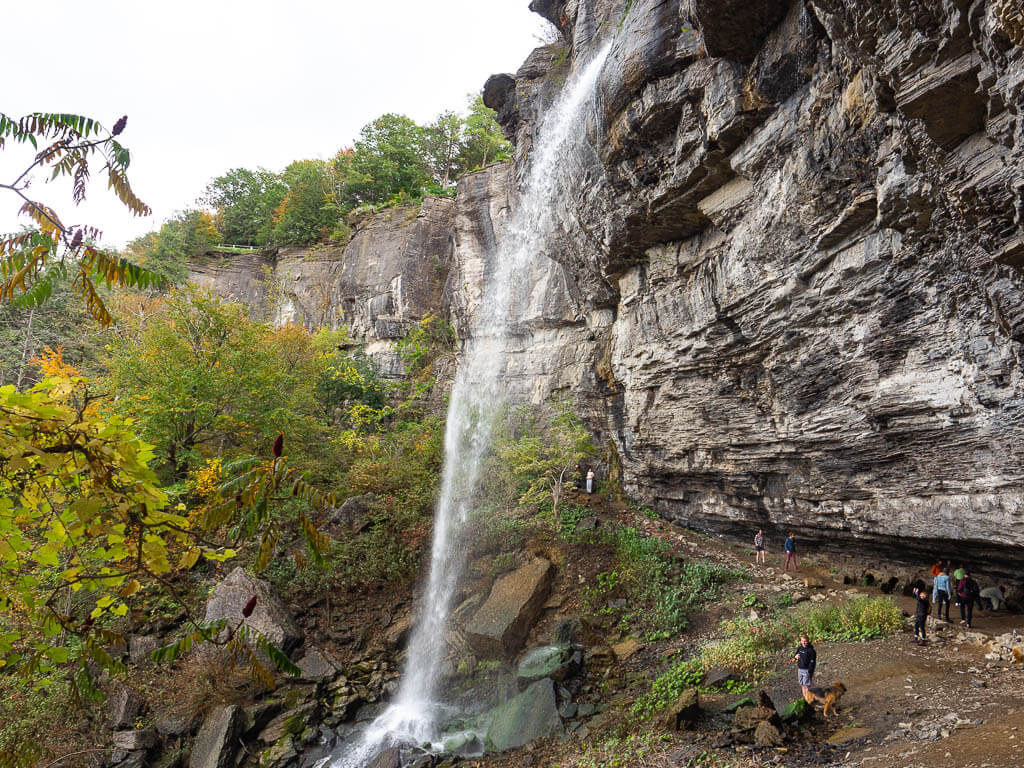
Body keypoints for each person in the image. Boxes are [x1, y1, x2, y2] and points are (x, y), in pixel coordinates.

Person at [793, 634, 816, 698]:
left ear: (808, 641)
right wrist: (795, 657)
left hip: (807, 670)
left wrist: (810, 671)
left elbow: (812, 662)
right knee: (802, 684)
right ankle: (804, 697)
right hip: (800, 669)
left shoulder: (811, 650)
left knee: (806, 685)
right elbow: (795, 657)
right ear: (800, 641)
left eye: (805, 641)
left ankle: (808, 699)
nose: (804, 643)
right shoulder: (799, 648)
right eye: (803, 641)